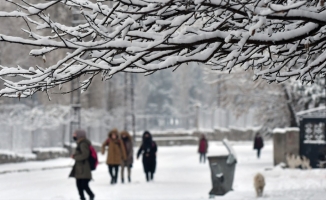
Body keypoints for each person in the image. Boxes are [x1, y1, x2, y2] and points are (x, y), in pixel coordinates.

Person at [69, 130, 95, 200]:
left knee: (83, 185)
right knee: (79, 185)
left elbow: (85, 154)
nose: (73, 135)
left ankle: (91, 195)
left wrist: (75, 157)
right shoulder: (80, 143)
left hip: (84, 167)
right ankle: (82, 197)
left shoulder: (83, 143)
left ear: (79, 135)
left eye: (75, 134)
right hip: (80, 167)